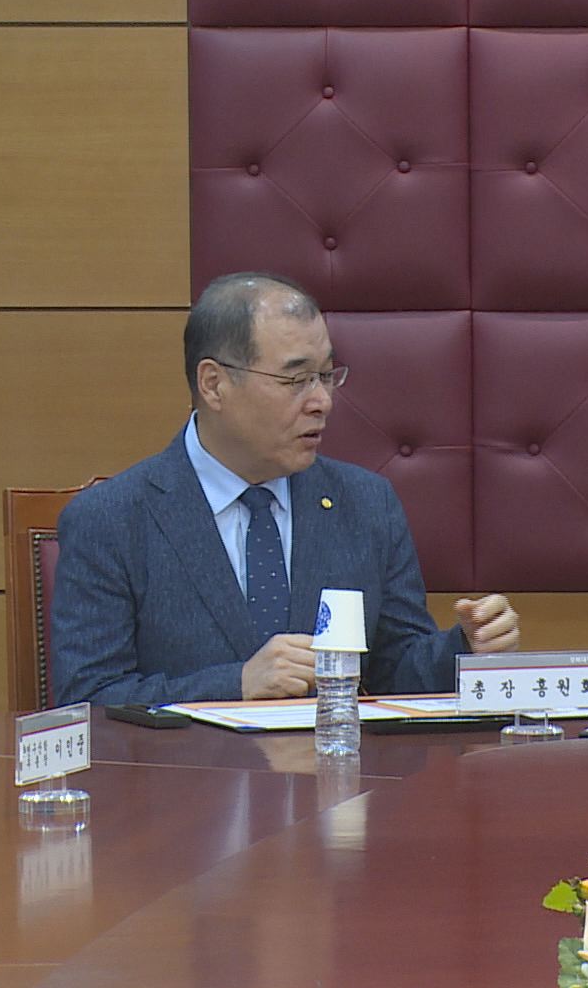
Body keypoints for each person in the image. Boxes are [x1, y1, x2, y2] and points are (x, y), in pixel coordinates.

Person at [50, 273, 519, 706]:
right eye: (296, 380)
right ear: (214, 385)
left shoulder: (366, 505)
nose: (322, 401)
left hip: (336, 768)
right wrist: (235, 684)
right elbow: (88, 700)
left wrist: (465, 648)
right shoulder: (112, 520)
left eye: (326, 376)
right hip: (183, 770)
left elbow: (396, 671)